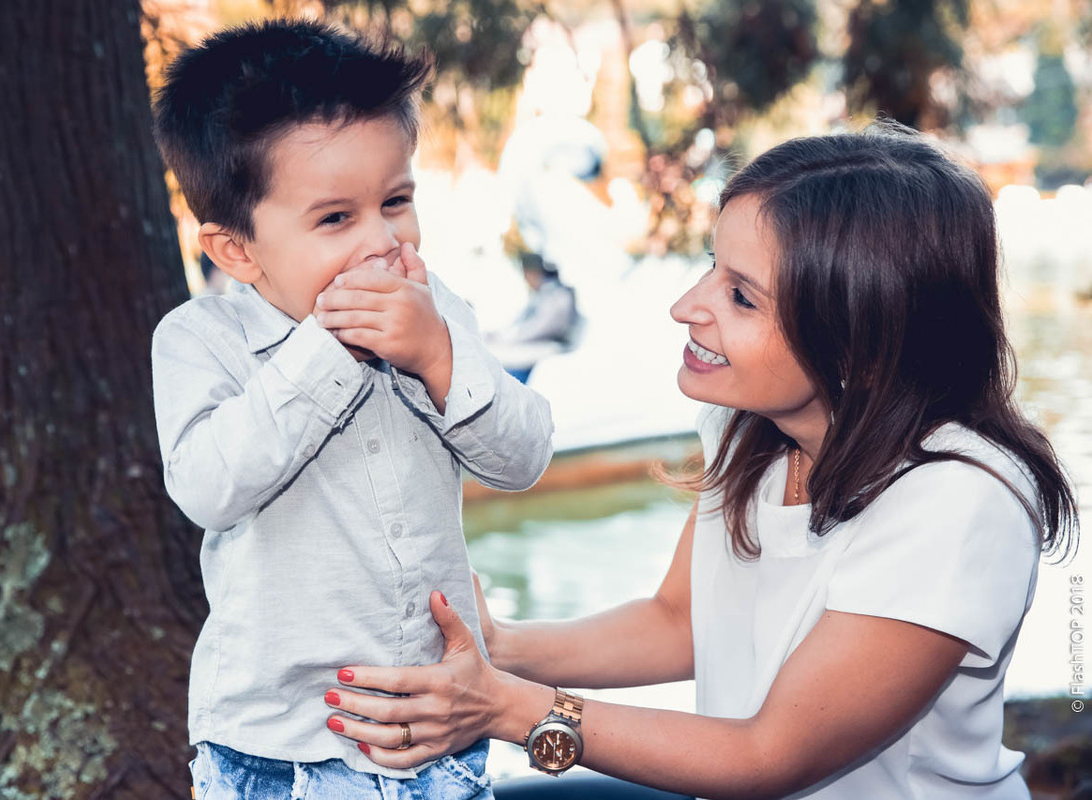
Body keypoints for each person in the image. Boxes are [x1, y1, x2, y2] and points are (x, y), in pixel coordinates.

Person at [319, 124, 1080, 799]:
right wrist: (498, 647)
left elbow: (767, 756)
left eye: (742, 297)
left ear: (860, 341)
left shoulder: (959, 502)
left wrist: (505, 708)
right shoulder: (754, 431)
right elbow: (681, 623)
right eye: (713, 265)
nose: (687, 305)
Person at [149, 19, 554, 800]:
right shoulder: (201, 340)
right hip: (279, 749)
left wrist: (439, 359)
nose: (380, 241)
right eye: (336, 218)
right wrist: (330, 350)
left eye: (395, 201)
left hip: (437, 735)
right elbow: (208, 488)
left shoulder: (435, 312)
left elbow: (523, 458)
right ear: (237, 250)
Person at [487, 252, 583, 383]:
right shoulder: (541, 293)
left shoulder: (557, 295)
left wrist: (511, 337)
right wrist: (501, 335)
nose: (527, 280)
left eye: (527, 275)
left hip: (554, 346)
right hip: (538, 343)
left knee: (508, 363)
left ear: (535, 272)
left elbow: (541, 328)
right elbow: (521, 322)